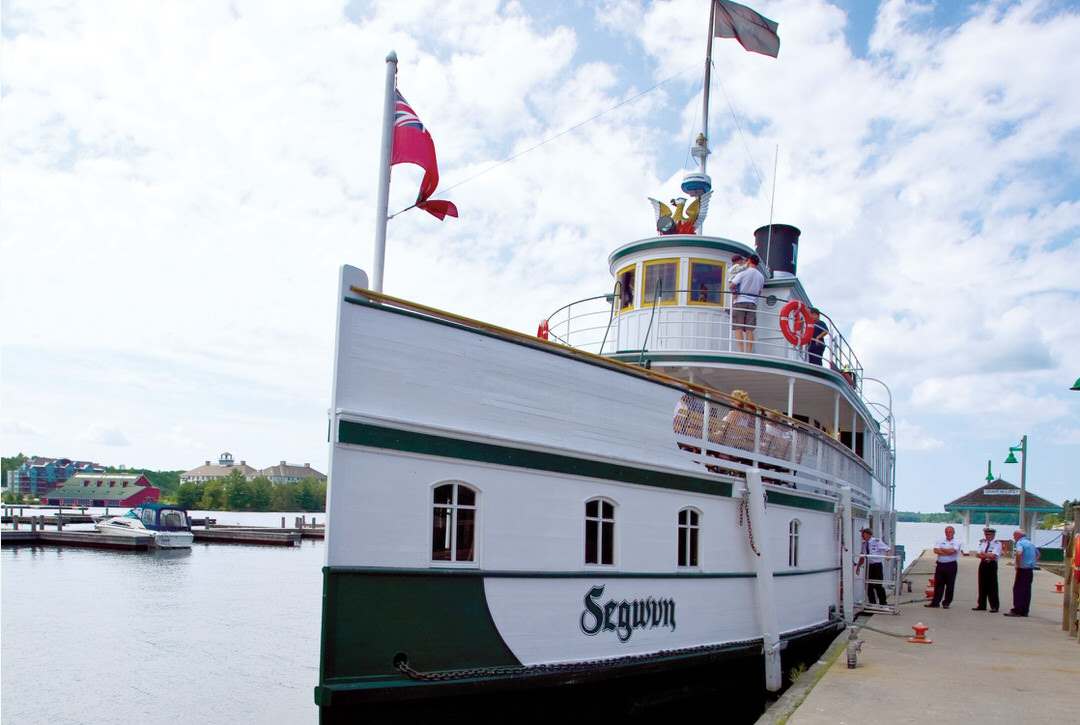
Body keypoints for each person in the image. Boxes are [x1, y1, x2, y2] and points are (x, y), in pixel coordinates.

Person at [729, 254, 764, 353]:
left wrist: (735, 293)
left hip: (740, 301)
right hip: (752, 303)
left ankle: (741, 351)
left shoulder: (743, 273)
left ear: (749, 261)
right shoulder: (761, 276)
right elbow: (759, 292)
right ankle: (748, 352)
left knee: (738, 327)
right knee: (749, 329)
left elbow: (732, 285)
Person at [925, 525, 962, 608]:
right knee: (938, 584)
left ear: (953, 533)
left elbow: (953, 551)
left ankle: (946, 603)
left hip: (951, 565)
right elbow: (935, 550)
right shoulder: (940, 541)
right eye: (947, 532)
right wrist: (947, 551)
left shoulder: (957, 542)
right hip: (940, 565)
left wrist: (942, 550)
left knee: (950, 585)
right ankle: (935, 602)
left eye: (950, 532)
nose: (948, 533)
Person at [1004, 529, 1039, 617]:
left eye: (1014, 536)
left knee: (1018, 589)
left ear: (1019, 536)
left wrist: (1018, 564)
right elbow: (1038, 554)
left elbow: (1019, 553)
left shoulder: (1020, 543)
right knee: (1027, 591)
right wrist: (1032, 562)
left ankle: (1017, 610)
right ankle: (1025, 610)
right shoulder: (1030, 543)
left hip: (1022, 569)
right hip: (1029, 569)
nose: (1014, 537)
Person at [855, 527, 890, 605]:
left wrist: (888, 555)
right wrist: (858, 567)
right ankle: (872, 602)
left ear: (868, 534)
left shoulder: (876, 541)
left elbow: (887, 549)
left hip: (877, 566)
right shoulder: (864, 544)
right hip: (869, 566)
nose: (862, 536)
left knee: (878, 585)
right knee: (868, 585)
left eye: (863, 534)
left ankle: (883, 602)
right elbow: (862, 557)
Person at [972, 526, 1002, 612]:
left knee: (992, 585)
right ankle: (981, 604)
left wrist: (984, 554)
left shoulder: (997, 544)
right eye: (986, 534)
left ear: (993, 535)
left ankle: (994, 606)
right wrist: (986, 554)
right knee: (982, 584)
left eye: (989, 534)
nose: (987, 536)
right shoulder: (983, 542)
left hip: (991, 564)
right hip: (983, 564)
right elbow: (978, 554)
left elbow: (993, 556)